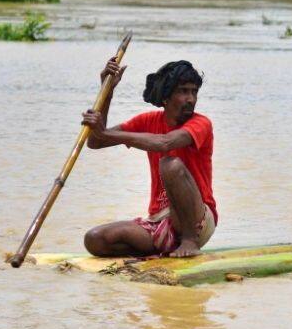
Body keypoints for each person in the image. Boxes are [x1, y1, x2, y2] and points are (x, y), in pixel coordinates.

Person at [81, 59, 216, 258]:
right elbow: (95, 141)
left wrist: (107, 133)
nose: (190, 99)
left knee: (170, 165)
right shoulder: (148, 121)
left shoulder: (201, 123)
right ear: (165, 98)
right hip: (159, 221)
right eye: (183, 91)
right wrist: (107, 91)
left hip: (197, 220)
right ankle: (157, 251)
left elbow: (165, 143)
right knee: (95, 239)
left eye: (194, 92)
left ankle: (189, 242)